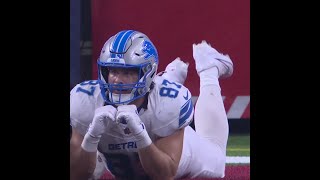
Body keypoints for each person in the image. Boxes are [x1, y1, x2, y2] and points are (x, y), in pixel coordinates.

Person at [70, 30, 233, 180]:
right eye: (113, 71)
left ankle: (209, 69)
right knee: (93, 165)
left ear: (148, 73)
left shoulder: (168, 107)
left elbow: (164, 174)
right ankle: (169, 78)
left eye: (127, 72)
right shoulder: (86, 102)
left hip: (163, 140)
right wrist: (92, 135)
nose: (117, 80)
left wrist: (140, 134)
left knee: (217, 164)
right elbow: (76, 174)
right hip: (123, 152)